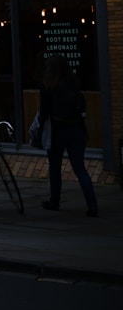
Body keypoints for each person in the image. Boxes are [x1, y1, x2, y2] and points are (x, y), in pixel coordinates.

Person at [39, 54, 98, 217]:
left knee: (55, 167)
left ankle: (54, 201)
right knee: (80, 169)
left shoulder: (49, 85)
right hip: (77, 129)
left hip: (58, 130)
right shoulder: (73, 84)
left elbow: (44, 111)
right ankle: (92, 204)